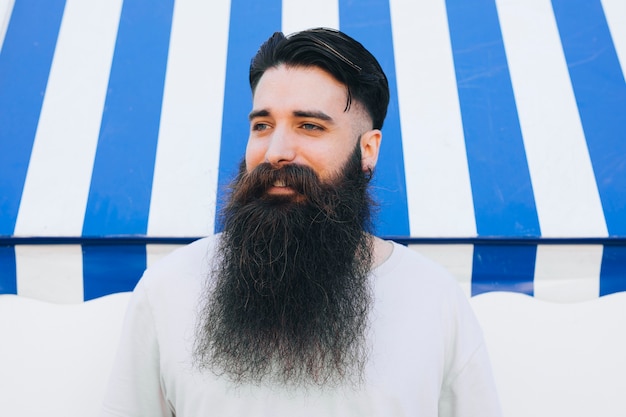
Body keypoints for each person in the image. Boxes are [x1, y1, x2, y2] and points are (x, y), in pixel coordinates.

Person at [100, 27, 502, 416]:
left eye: (309, 126)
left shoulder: (434, 299)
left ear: (368, 150)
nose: (276, 151)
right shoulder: (167, 289)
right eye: (262, 126)